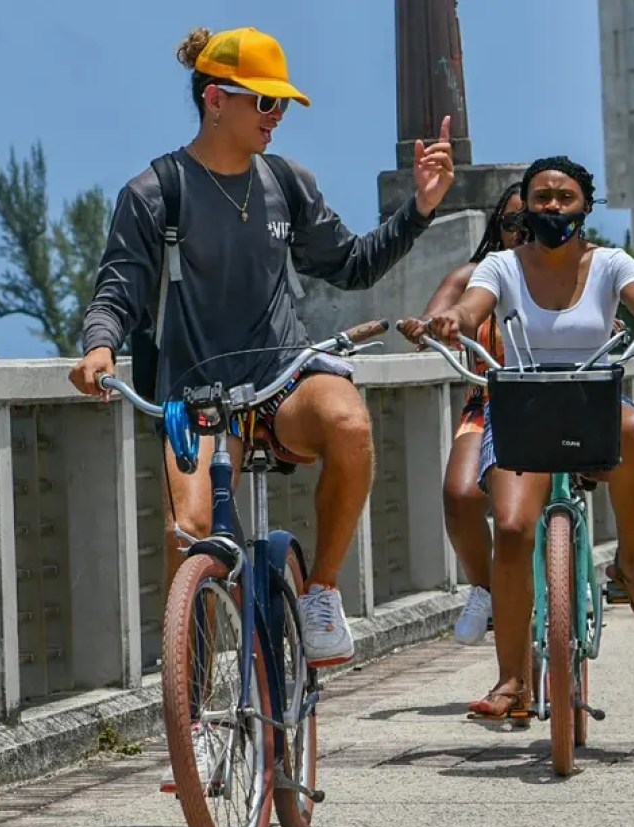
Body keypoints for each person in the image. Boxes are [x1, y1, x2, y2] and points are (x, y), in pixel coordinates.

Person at [68, 25, 456, 671]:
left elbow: (352, 265)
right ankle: (192, 702)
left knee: (350, 423)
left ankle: (321, 594)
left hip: (284, 379)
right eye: (265, 102)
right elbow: (118, 290)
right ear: (216, 99)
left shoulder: (286, 183)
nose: (277, 118)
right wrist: (100, 346)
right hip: (199, 396)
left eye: (282, 105)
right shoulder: (154, 192)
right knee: (189, 535)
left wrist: (419, 209)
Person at [422, 155, 634, 719]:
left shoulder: (611, 262)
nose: (551, 207)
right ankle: (513, 680)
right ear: (527, 205)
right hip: (521, 406)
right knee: (515, 528)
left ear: (585, 206)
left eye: (563, 197)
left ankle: (631, 563)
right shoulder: (501, 265)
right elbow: (474, 307)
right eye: (540, 197)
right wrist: (457, 322)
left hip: (591, 402)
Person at [399, 182, 524, 645]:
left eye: (533, 223)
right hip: (489, 400)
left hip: (555, 397)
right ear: (498, 226)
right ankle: (486, 588)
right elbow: (437, 318)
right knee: (461, 495)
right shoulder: (477, 274)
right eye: (513, 223)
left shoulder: (563, 271)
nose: (523, 234)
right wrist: (427, 327)